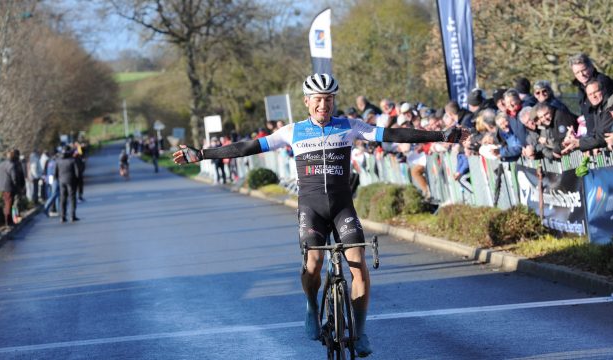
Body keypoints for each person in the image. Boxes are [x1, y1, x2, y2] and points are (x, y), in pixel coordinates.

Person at [173, 73, 469, 358]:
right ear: (307, 101)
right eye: (318, 100)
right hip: (311, 208)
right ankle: (312, 308)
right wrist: (202, 154)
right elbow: (247, 147)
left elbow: (393, 133)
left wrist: (441, 135)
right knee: (313, 264)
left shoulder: (350, 126)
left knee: (358, 265)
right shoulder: (293, 131)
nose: (323, 106)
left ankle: (361, 331)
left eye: (328, 100)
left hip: (342, 207)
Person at [55, 146, 80, 223]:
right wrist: (78, 181)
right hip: (71, 181)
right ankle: (72, 216)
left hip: (61, 181)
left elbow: (55, 173)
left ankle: (62, 216)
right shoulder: (72, 160)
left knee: (63, 199)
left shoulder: (58, 161)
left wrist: (59, 179)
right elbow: (77, 173)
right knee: (72, 198)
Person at [0, 150, 18, 228]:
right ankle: (8, 221)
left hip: (1, 186)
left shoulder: (1, 164)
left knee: (6, 203)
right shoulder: (11, 165)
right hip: (8, 187)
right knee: (9, 204)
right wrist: (16, 186)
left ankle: (8, 220)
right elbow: (14, 178)